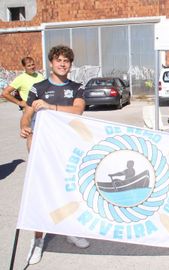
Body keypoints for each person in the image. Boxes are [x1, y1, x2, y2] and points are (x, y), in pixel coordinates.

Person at [20, 45, 90, 265]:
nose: (62, 64)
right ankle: (37, 241)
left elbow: (77, 110)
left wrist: (50, 107)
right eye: (58, 60)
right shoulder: (38, 87)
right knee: (41, 196)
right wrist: (23, 127)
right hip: (43, 149)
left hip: (68, 148)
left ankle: (69, 230)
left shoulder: (77, 87)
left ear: (70, 64)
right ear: (51, 62)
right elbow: (27, 114)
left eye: (66, 61)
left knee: (69, 192)